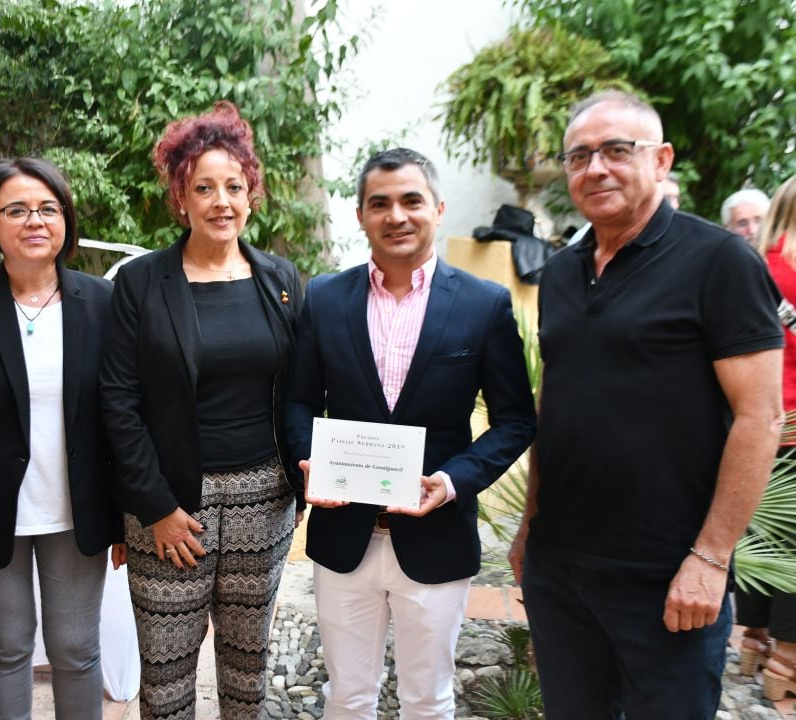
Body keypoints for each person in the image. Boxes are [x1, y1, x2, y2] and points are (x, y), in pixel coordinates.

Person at [509, 90, 784, 718]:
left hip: (668, 575)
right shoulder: (560, 272)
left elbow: (760, 416)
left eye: (615, 150)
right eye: (579, 156)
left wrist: (711, 558)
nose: (596, 168)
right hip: (561, 567)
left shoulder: (720, 261)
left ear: (660, 160)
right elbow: (558, 402)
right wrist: (531, 524)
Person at [284, 147, 537, 719]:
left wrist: (452, 482)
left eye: (410, 200)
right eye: (380, 203)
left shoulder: (483, 304)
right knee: (347, 696)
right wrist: (308, 461)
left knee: (428, 698)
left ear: (438, 208)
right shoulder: (323, 299)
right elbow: (299, 401)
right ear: (360, 215)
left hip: (437, 536)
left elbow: (516, 420)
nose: (396, 215)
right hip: (344, 535)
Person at [99, 100, 304, 720]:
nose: (221, 201)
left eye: (234, 187)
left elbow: (297, 391)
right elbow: (118, 400)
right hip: (171, 508)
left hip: (263, 501)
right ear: (179, 199)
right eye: (203, 187)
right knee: (165, 674)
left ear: (251, 195)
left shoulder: (281, 279)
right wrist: (156, 506)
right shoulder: (141, 282)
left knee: (249, 669)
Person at [0, 157, 121, 719]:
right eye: (16, 210)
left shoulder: (103, 303)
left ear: (65, 221)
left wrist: (128, 513)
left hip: (77, 509)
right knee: (8, 647)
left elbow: (124, 417)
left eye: (48, 208)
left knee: (76, 650)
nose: (34, 221)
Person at [741, 175, 796, 700]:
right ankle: (787, 663)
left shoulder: (756, 265)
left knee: (762, 538)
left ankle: (753, 643)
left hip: (758, 421)